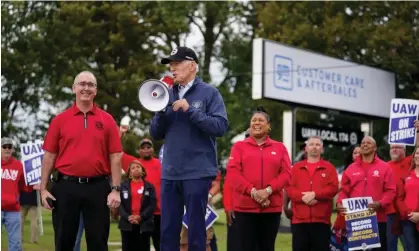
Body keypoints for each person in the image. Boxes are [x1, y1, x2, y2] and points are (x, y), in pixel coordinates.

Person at [150, 46, 229, 251]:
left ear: (192, 65)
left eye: (177, 64)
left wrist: (190, 110)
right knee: (167, 231)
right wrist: (159, 111)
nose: (172, 69)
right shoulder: (166, 94)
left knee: (195, 230)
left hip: (197, 172)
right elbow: (155, 133)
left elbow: (220, 126)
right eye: (171, 65)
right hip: (170, 172)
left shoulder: (209, 93)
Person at [40, 71, 123, 251]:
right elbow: (50, 155)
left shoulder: (107, 120)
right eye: (82, 84)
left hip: (98, 187)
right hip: (65, 186)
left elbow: (116, 156)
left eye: (90, 84)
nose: (86, 88)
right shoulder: (60, 120)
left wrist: (115, 190)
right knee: (63, 241)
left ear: (96, 90)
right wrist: (43, 188)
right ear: (74, 88)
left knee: (98, 242)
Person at [227, 107, 291, 251]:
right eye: (254, 120)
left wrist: (268, 190)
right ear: (250, 126)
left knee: (267, 247)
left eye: (261, 120)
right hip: (244, 209)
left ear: (268, 126)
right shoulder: (239, 147)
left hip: (271, 208)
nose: (257, 123)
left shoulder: (280, 148)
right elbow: (233, 173)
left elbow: (286, 174)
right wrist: (253, 192)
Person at [337, 136, 396, 251]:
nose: (364, 144)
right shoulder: (351, 168)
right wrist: (339, 203)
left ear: (375, 148)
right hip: (356, 221)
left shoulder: (385, 168)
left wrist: (380, 203)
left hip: (378, 219)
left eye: (368, 143)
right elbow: (344, 190)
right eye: (363, 143)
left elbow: (390, 191)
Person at [286, 136, 339, 251]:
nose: (314, 147)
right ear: (306, 148)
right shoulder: (295, 168)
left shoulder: (329, 168)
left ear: (322, 149)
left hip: (321, 222)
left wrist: (315, 194)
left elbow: (333, 189)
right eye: (311, 144)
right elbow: (289, 188)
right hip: (299, 222)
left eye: (317, 144)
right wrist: (304, 197)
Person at [119, 127, 162, 251]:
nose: (146, 149)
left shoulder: (161, 163)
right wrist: (120, 135)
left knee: (160, 244)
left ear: (153, 149)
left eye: (149, 147)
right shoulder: (135, 164)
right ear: (139, 151)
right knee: (140, 246)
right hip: (140, 216)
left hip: (159, 212)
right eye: (143, 147)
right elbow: (117, 152)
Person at [1, 137, 36, 251]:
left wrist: (33, 184)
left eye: (9, 147)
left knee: (16, 244)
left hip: (13, 210)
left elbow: (24, 186)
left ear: (13, 150)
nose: (7, 149)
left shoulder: (19, 166)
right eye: (4, 147)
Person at [118, 160, 157, 251]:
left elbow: (152, 205)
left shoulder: (149, 187)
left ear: (142, 170)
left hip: (144, 223)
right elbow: (120, 204)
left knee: (143, 247)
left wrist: (140, 217)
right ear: (130, 172)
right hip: (127, 224)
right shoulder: (123, 186)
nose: (136, 169)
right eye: (133, 168)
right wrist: (128, 217)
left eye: (138, 167)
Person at [396, 146, 419, 251]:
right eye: (417, 153)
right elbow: (399, 198)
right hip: (408, 220)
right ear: (414, 156)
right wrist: (408, 214)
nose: (418, 156)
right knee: (411, 248)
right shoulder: (407, 176)